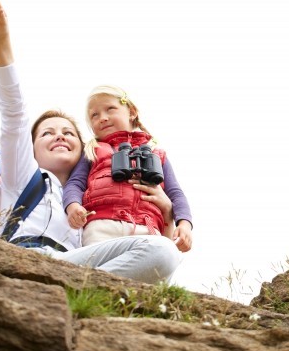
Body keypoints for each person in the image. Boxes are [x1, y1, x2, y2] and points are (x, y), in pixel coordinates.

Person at [0, 0, 182, 283]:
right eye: (47, 133)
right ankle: (67, 291)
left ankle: (71, 293)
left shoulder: (90, 202)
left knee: (163, 255)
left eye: (69, 132)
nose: (60, 136)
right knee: (161, 254)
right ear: (28, 150)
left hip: (77, 267)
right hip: (31, 258)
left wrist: (169, 214)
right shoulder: (22, 176)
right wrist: (0, 40)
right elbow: (13, 114)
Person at [63, 85, 194, 254]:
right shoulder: (92, 150)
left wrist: (184, 224)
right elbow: (75, 183)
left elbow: (175, 192)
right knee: (95, 265)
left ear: (131, 112)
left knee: (157, 257)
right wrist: (73, 205)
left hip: (146, 226)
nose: (102, 118)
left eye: (110, 109)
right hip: (102, 223)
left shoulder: (156, 155)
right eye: (94, 115)